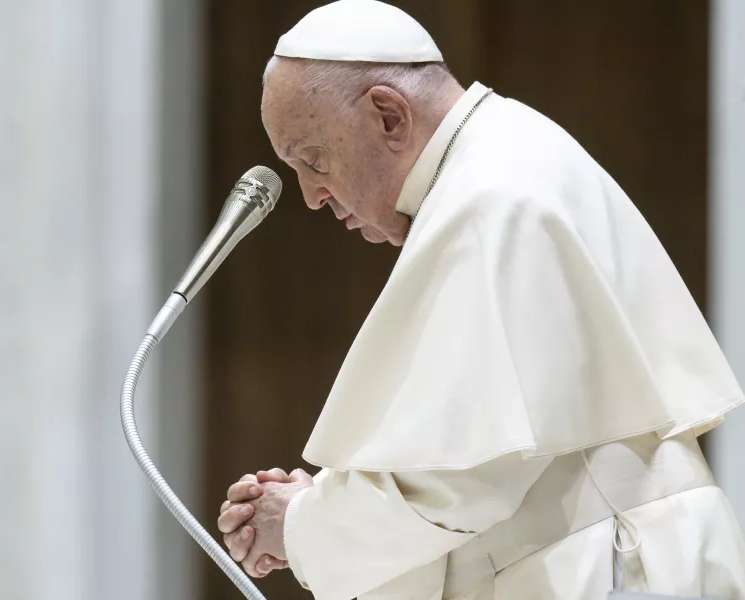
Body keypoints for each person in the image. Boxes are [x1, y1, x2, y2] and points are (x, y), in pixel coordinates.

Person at [215, 1, 745, 599]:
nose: (313, 196)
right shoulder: (499, 162)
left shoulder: (491, 198)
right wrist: (327, 500)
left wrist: (302, 528)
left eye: (314, 160)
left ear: (389, 115)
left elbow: (460, 482)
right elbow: (473, 451)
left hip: (607, 569)